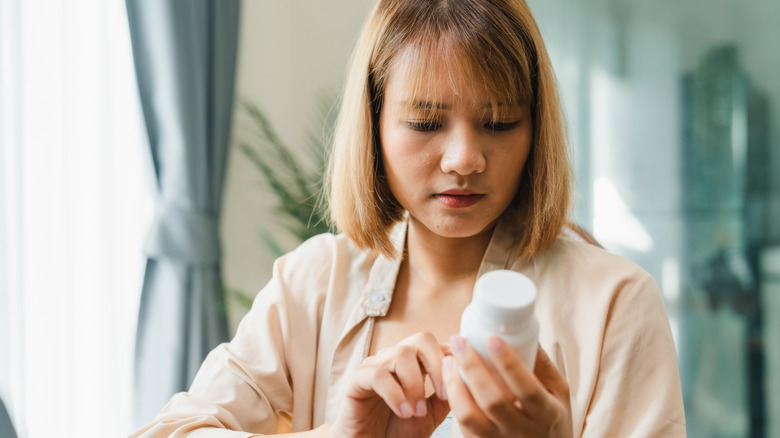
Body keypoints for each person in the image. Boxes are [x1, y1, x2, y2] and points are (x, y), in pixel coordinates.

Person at [131, 0, 685, 436]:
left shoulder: (615, 303)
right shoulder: (313, 284)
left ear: (535, 130)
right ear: (373, 125)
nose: (464, 158)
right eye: (425, 123)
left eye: (499, 122)